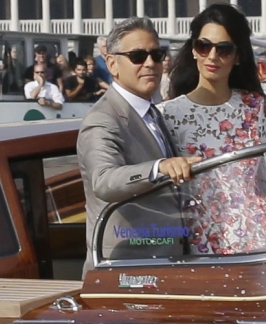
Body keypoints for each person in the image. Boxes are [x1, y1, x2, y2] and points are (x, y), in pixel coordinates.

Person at [158, 4, 266, 255]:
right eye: (204, 46)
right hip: (202, 233)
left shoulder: (254, 106)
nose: (212, 56)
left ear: (237, 56)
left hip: (263, 228)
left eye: (223, 49)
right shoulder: (167, 114)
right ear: (194, 50)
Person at [77, 17, 193, 254]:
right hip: (126, 262)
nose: (150, 63)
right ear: (112, 64)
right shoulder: (103, 118)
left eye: (157, 55)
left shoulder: (153, 112)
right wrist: (160, 168)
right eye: (138, 57)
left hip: (168, 256)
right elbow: (103, 180)